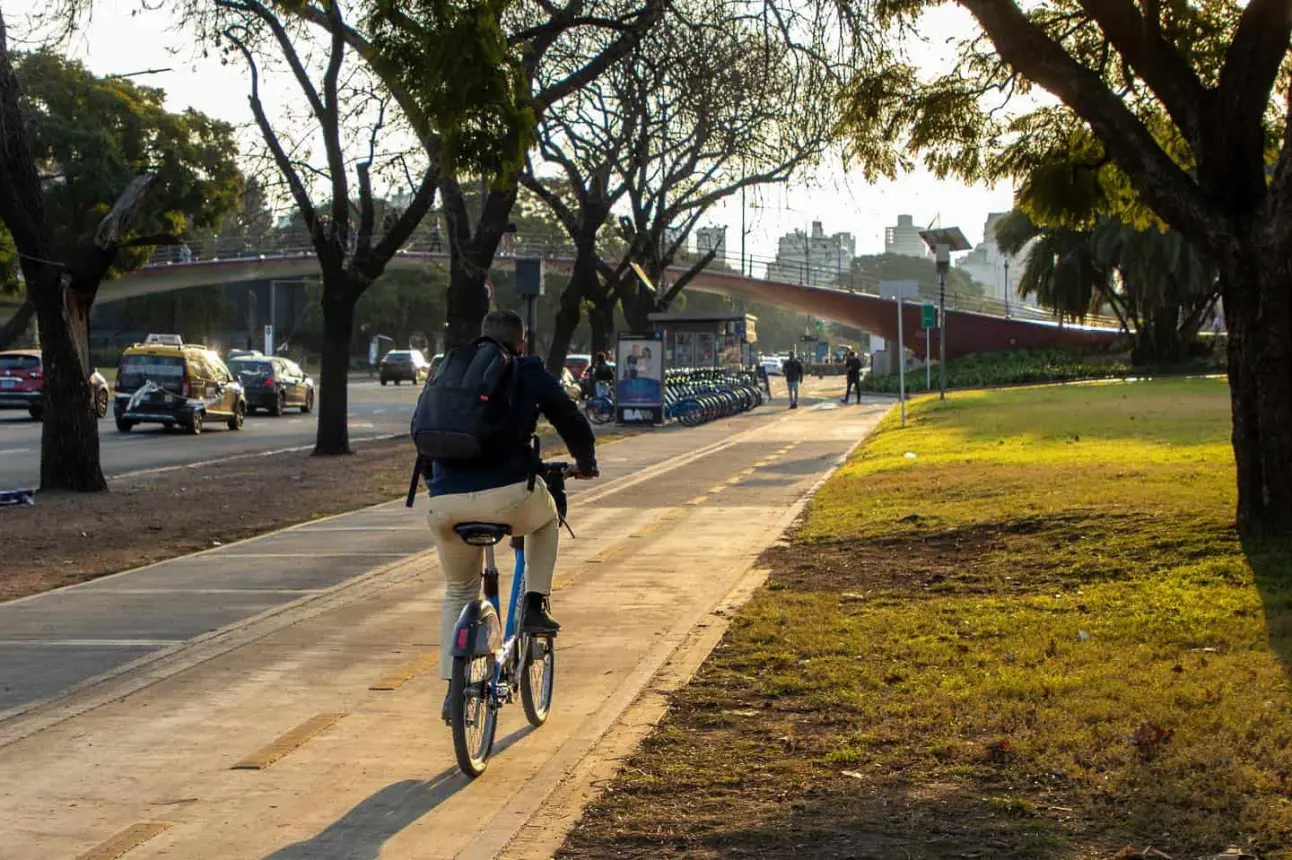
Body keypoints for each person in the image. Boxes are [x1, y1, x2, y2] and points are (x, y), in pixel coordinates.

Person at [424, 310, 598, 721]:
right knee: (546, 518)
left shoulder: (449, 368)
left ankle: (454, 688)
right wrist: (586, 461)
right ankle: (536, 604)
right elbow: (570, 418)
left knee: (458, 591)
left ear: (482, 337)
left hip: (443, 502)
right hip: (507, 496)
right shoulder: (526, 369)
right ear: (521, 342)